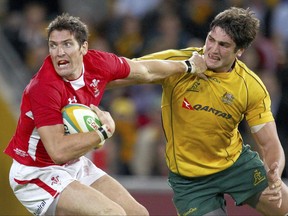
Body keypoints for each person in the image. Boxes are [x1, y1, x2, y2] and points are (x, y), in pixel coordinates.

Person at [3, 13, 207, 216]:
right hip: (37, 172)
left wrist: (186, 66)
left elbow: (144, 70)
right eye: (53, 45)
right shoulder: (44, 87)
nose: (58, 52)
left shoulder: (98, 63)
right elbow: (58, 151)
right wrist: (104, 131)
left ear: (83, 48)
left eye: (66, 44)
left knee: (138, 213)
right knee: (111, 213)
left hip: (73, 164)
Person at [108, 7, 288, 216]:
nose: (212, 49)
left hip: (236, 166)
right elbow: (127, 71)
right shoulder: (179, 62)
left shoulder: (251, 86)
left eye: (223, 45)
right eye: (211, 39)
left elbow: (269, 143)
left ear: (240, 51)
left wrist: (275, 172)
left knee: (283, 206)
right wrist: (84, 84)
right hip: (190, 180)